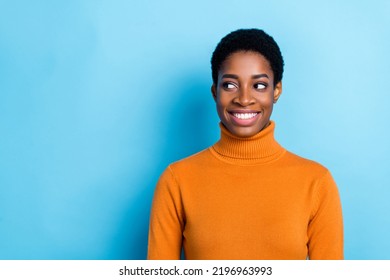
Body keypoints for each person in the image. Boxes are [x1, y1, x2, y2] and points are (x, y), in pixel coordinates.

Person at [147, 28, 343, 260]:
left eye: (259, 85)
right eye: (230, 85)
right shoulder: (177, 180)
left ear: (276, 91)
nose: (244, 99)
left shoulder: (316, 183)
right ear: (215, 92)